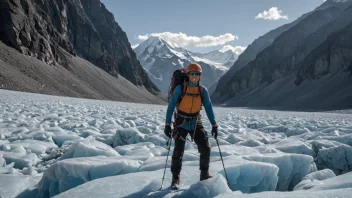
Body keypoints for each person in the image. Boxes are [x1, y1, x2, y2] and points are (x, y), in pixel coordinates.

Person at [164, 63, 219, 189]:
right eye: (192, 74)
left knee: (206, 148)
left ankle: (204, 175)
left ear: (200, 76)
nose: (194, 76)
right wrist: (167, 124)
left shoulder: (202, 90)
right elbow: (171, 106)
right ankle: (175, 179)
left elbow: (209, 107)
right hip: (181, 122)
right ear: (187, 75)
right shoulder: (180, 89)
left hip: (195, 122)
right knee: (178, 151)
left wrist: (214, 124)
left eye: (197, 74)